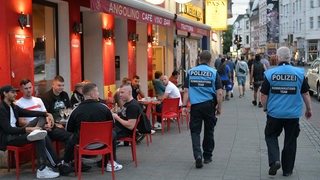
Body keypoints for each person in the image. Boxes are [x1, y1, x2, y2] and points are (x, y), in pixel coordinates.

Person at [260, 46, 312, 176]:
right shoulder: (299, 73)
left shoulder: (270, 74)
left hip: (274, 114)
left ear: (277, 58)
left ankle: (275, 161)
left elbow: (263, 95)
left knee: (271, 136)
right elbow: (305, 94)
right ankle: (287, 170)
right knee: (290, 141)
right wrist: (309, 109)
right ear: (289, 58)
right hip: (293, 115)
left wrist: (265, 108)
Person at [0, 85, 60, 179]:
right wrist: (28, 129)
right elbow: (8, 129)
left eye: (16, 92)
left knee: (41, 118)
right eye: (13, 92)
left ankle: (37, 133)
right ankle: (42, 170)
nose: (15, 94)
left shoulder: (13, 106)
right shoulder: (1, 109)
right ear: (5, 94)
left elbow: (29, 112)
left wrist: (46, 113)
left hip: (18, 133)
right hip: (10, 137)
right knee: (39, 137)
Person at [16, 79, 75, 175]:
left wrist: (49, 123)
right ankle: (58, 164)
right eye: (26, 88)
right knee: (43, 136)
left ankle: (68, 162)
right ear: (21, 90)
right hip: (33, 130)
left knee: (70, 136)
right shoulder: (19, 103)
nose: (28, 90)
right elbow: (21, 121)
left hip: (47, 127)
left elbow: (46, 115)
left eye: (30, 87)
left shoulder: (38, 100)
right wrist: (37, 126)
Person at [62, 83, 121, 174]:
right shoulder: (104, 108)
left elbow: (69, 129)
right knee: (113, 133)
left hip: (83, 145)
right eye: (97, 91)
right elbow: (112, 125)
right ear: (92, 94)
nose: (98, 94)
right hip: (103, 143)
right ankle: (111, 162)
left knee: (72, 136)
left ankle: (66, 162)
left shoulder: (76, 111)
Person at [182, 50, 223, 169]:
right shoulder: (214, 73)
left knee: (195, 132)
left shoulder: (190, 72)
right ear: (210, 61)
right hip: (209, 106)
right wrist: (219, 108)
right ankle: (208, 156)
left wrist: (184, 106)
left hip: (195, 107)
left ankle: (198, 155)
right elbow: (219, 93)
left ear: (199, 59)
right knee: (209, 131)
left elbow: (186, 91)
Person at [112, 85, 142, 162]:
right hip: (120, 128)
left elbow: (130, 126)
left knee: (107, 135)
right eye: (120, 92)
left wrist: (117, 117)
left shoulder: (132, 106)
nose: (120, 95)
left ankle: (111, 161)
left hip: (125, 131)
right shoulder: (128, 103)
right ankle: (107, 159)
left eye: (122, 92)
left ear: (129, 92)